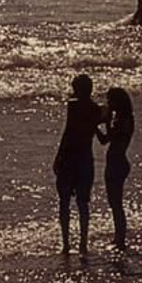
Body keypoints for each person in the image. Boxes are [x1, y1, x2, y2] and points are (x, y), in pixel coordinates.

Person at [53, 75, 104, 255]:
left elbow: (68, 132)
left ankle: (66, 243)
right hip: (85, 157)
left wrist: (58, 156)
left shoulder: (73, 106)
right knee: (83, 203)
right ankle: (83, 243)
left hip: (69, 157)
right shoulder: (96, 109)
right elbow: (102, 133)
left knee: (64, 201)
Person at [97, 87, 134, 251]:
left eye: (110, 101)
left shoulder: (122, 121)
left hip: (116, 163)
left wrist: (99, 125)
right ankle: (119, 238)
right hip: (117, 162)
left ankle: (120, 240)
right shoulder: (125, 119)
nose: (108, 104)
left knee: (116, 203)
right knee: (115, 203)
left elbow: (105, 139)